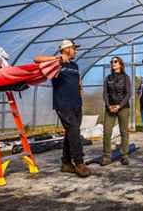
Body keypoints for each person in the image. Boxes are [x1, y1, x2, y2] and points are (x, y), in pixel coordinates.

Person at [34, 39, 90, 178]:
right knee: (74, 130)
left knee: (71, 133)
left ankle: (66, 163)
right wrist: (56, 58)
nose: (76, 50)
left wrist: (80, 86)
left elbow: (77, 79)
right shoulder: (55, 62)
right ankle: (79, 163)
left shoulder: (75, 65)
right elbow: (37, 59)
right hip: (63, 104)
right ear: (66, 49)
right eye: (73, 48)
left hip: (76, 103)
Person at [101, 56, 131, 166]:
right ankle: (107, 156)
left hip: (123, 108)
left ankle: (125, 156)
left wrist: (120, 105)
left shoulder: (126, 77)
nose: (113, 63)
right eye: (111, 62)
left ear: (120, 64)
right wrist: (109, 106)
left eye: (115, 61)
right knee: (107, 132)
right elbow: (105, 93)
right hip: (110, 108)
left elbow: (128, 94)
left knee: (124, 132)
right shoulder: (108, 78)